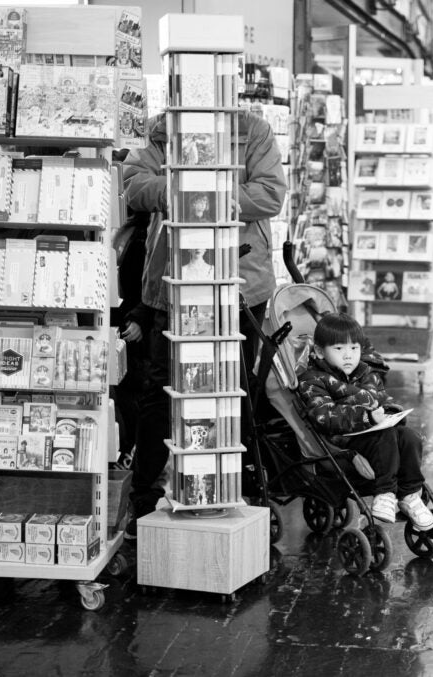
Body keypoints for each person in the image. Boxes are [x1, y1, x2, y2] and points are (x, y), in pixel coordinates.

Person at [122, 111, 286, 539]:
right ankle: (145, 488)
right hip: (172, 284)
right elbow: (135, 185)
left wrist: (207, 196)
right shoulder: (164, 129)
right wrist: (186, 191)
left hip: (241, 281)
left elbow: (270, 193)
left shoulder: (252, 131)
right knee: (162, 387)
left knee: (233, 387)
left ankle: (236, 481)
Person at [297, 313, 433, 530]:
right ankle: (385, 493)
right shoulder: (313, 380)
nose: (348, 356)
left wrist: (390, 412)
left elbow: (382, 398)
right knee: (386, 436)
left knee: (409, 436)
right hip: (344, 440)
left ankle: (409, 495)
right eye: (339, 349)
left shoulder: (366, 373)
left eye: (354, 349)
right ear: (319, 352)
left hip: (375, 430)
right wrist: (366, 417)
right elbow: (324, 416)